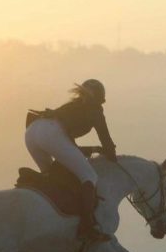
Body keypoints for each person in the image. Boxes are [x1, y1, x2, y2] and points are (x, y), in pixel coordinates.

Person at [25, 79, 117, 241]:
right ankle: (87, 226)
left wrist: (93, 150)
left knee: (49, 175)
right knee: (90, 176)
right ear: (99, 98)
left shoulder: (72, 106)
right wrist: (113, 158)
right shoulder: (95, 110)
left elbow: (66, 144)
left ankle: (48, 214)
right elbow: (105, 138)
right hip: (50, 132)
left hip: (33, 130)